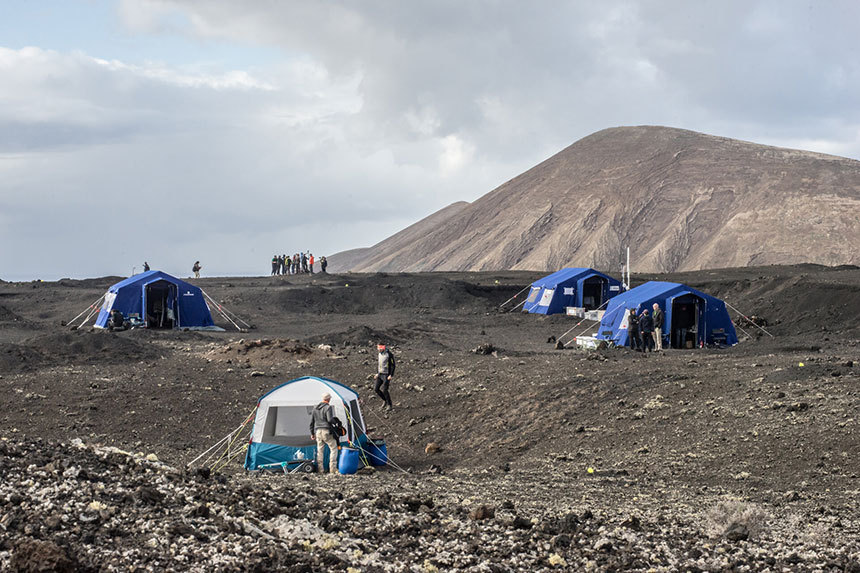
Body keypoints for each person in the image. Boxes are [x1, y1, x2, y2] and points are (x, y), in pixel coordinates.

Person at [309, 393, 340, 475]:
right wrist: (336, 423)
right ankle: (332, 469)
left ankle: (320, 470)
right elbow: (330, 420)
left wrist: (312, 433)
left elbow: (311, 422)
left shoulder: (315, 408)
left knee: (320, 451)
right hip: (326, 431)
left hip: (318, 432)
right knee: (333, 449)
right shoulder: (328, 407)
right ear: (329, 399)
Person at [374, 343, 396, 411]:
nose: (377, 349)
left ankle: (389, 404)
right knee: (376, 389)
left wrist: (391, 375)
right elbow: (379, 364)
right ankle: (385, 400)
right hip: (380, 374)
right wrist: (377, 373)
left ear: (382, 348)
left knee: (385, 390)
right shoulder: (379, 354)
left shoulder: (389, 354)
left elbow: (393, 365)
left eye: (378, 348)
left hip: (386, 375)